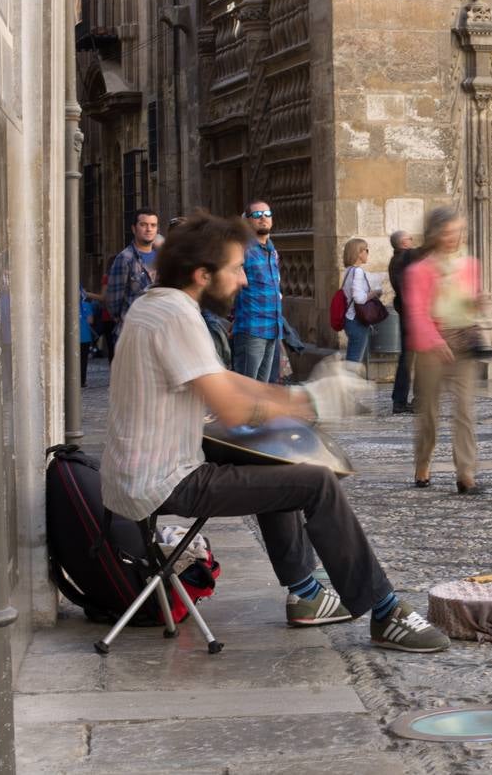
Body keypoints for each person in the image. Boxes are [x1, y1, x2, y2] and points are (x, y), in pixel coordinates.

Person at [99, 213, 449, 652]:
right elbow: (230, 404)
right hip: (164, 480)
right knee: (316, 483)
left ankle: (305, 595)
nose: (243, 280)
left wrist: (298, 397)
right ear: (202, 274)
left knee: (273, 458)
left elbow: (223, 381)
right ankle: (384, 611)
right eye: (235, 269)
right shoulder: (176, 316)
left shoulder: (155, 304)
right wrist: (314, 400)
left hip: (137, 473)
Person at [404, 207, 483, 494]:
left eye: (457, 231)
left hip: (463, 344)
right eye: (447, 232)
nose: (453, 237)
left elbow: (468, 303)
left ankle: (466, 473)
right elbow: (416, 312)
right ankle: (423, 462)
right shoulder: (419, 270)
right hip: (431, 347)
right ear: (435, 234)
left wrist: (478, 305)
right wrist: (435, 341)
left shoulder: (471, 265)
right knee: (429, 413)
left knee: (464, 409)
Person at [231, 201, 283, 382]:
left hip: (273, 328)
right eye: (257, 215)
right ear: (247, 221)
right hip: (251, 329)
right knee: (245, 389)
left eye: (267, 214)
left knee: (262, 391)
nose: (263, 218)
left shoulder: (271, 249)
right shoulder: (241, 248)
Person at [104, 208, 161, 347]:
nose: (149, 229)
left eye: (153, 225)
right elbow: (113, 301)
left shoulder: (162, 258)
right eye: (143, 224)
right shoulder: (125, 258)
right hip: (132, 333)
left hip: (159, 331)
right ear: (134, 229)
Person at [387, 230, 419, 415]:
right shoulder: (403, 259)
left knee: (408, 358)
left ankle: (401, 400)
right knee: (409, 358)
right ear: (402, 243)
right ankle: (402, 401)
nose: (412, 241)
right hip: (411, 316)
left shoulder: (400, 259)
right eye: (409, 238)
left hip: (409, 314)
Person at [339, 238, 381, 368]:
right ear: (359, 253)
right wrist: (375, 293)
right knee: (354, 362)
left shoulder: (349, 271)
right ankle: (347, 387)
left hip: (350, 319)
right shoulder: (357, 271)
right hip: (357, 320)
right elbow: (359, 298)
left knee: (353, 359)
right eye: (366, 250)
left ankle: (347, 385)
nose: (368, 253)